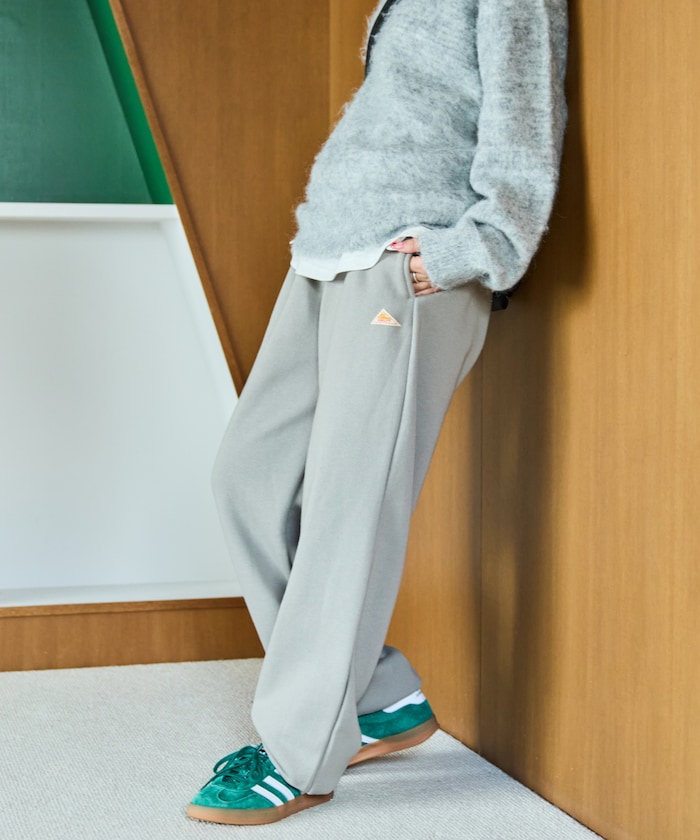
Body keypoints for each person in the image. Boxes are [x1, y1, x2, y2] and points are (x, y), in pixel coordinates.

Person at [187, 0, 568, 826]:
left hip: (407, 264)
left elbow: (525, 122)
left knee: (347, 508)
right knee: (247, 480)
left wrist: (469, 250)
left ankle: (300, 753)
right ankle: (379, 697)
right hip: (327, 254)